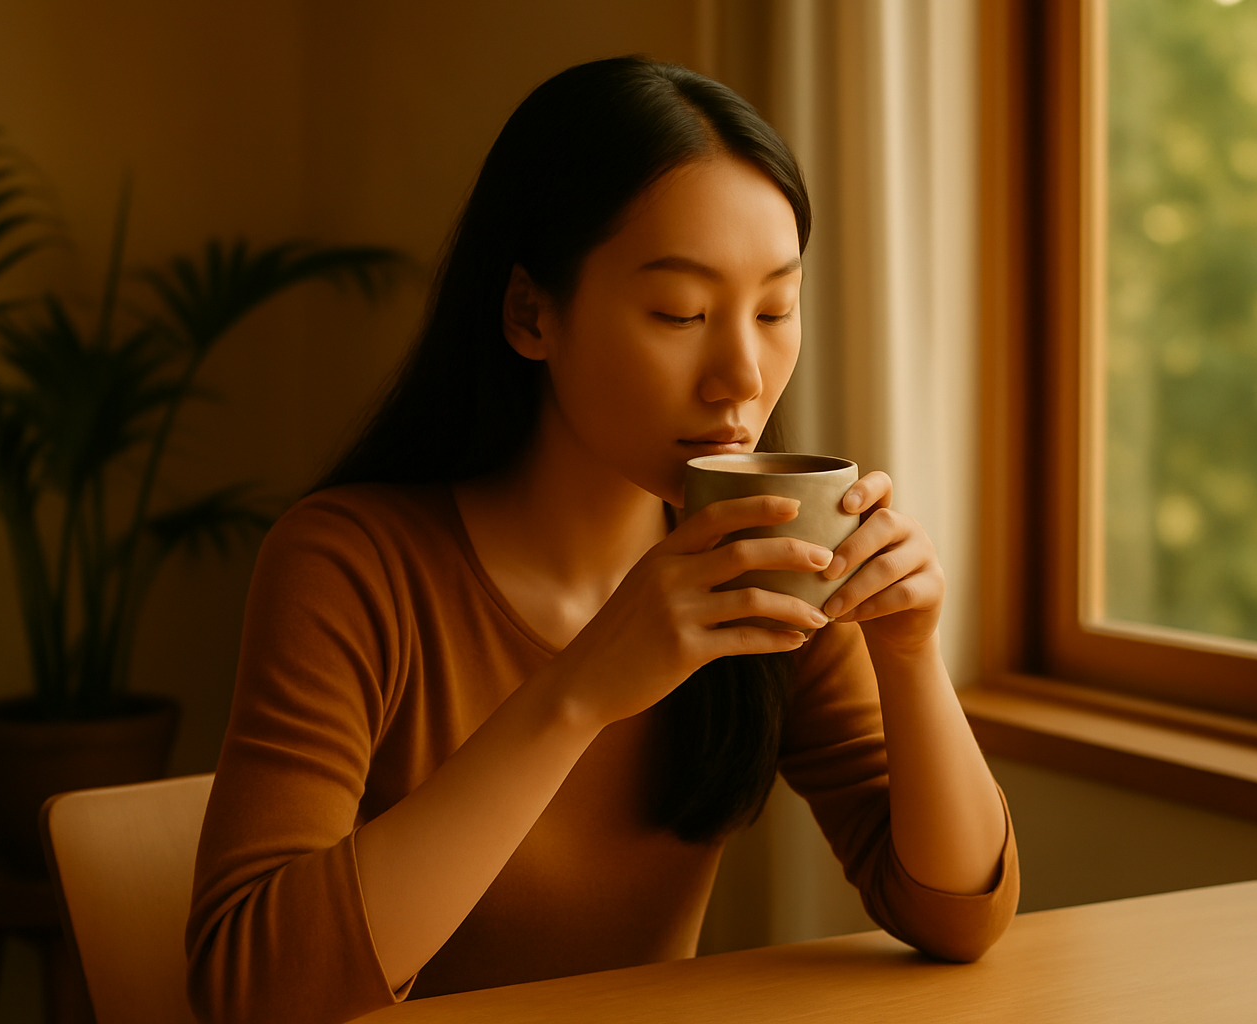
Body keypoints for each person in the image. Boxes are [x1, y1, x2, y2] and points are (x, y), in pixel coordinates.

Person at [185, 55, 1018, 1024]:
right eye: (682, 313)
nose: (741, 376)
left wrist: (911, 654)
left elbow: (957, 917)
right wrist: (579, 692)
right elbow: (252, 994)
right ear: (532, 312)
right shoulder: (350, 563)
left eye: (775, 310)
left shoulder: (763, 560)